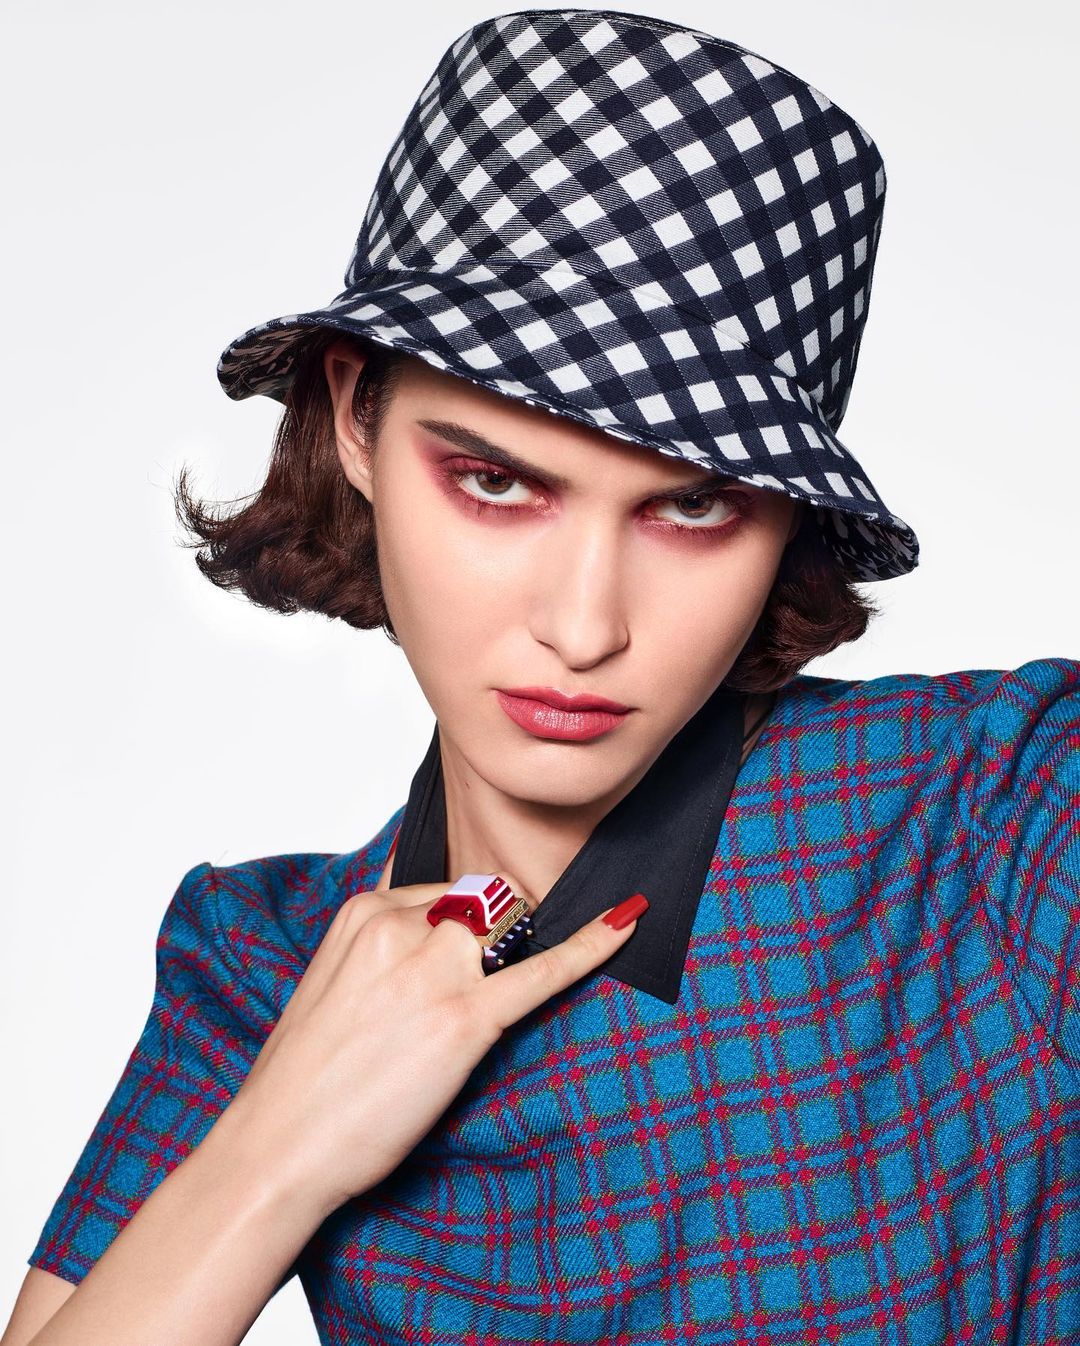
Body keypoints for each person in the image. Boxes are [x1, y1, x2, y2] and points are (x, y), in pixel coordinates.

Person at [5, 10, 1077, 1345]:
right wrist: (277, 1151)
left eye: (690, 510)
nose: (584, 627)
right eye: (498, 480)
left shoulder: (999, 814)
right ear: (355, 415)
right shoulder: (261, 968)